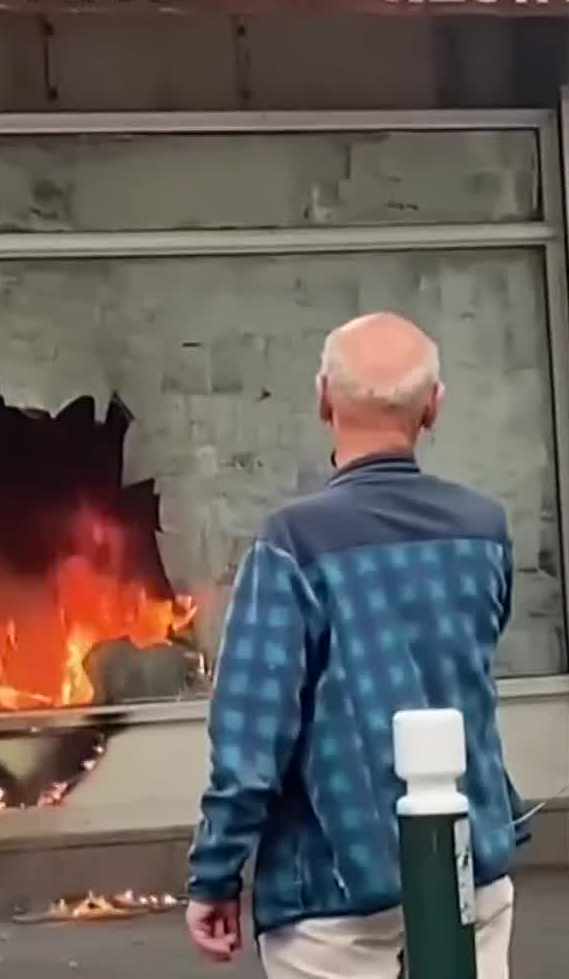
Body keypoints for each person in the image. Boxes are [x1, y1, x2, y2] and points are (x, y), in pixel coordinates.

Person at [185, 313, 523, 978]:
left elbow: (252, 738)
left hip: (331, 884)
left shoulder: (292, 542)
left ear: (322, 398)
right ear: (434, 407)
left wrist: (216, 872)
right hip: (467, 864)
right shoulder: (486, 530)